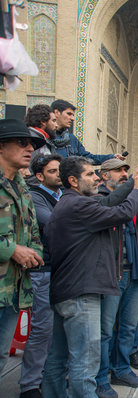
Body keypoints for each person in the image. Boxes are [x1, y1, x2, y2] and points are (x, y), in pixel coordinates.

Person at [42, 156, 138, 398]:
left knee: (57, 359)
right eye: (90, 174)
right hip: (81, 293)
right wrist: (137, 191)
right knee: (84, 362)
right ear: (73, 181)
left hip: (65, 291)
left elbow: (108, 201)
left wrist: (131, 180)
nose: (97, 178)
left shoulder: (69, 203)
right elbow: (121, 212)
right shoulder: (78, 206)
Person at [94, 159, 138, 398]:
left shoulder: (135, 196)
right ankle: (100, 377)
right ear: (104, 175)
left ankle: (121, 369)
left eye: (125, 170)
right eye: (118, 171)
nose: (124, 174)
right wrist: (132, 187)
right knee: (105, 330)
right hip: (112, 273)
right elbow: (109, 209)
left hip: (135, 272)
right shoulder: (99, 197)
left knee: (128, 327)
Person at [0, 120, 44, 382]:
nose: (30, 149)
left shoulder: (22, 186)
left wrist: (32, 252)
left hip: (14, 287)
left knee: (2, 355)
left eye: (31, 144)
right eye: (22, 143)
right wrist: (12, 250)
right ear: (2, 147)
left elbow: (32, 229)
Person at [18, 154, 62, 398]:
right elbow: (53, 224)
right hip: (42, 270)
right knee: (42, 329)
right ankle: (30, 385)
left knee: (57, 330)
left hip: (59, 270)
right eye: (53, 171)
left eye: (59, 170)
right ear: (39, 175)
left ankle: (50, 377)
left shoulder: (61, 197)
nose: (58, 174)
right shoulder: (36, 196)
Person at [51, 100, 121, 164]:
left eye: (73, 115)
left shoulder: (72, 139)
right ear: (56, 112)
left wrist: (112, 157)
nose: (72, 119)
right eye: (69, 114)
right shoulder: (44, 137)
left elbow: (87, 158)